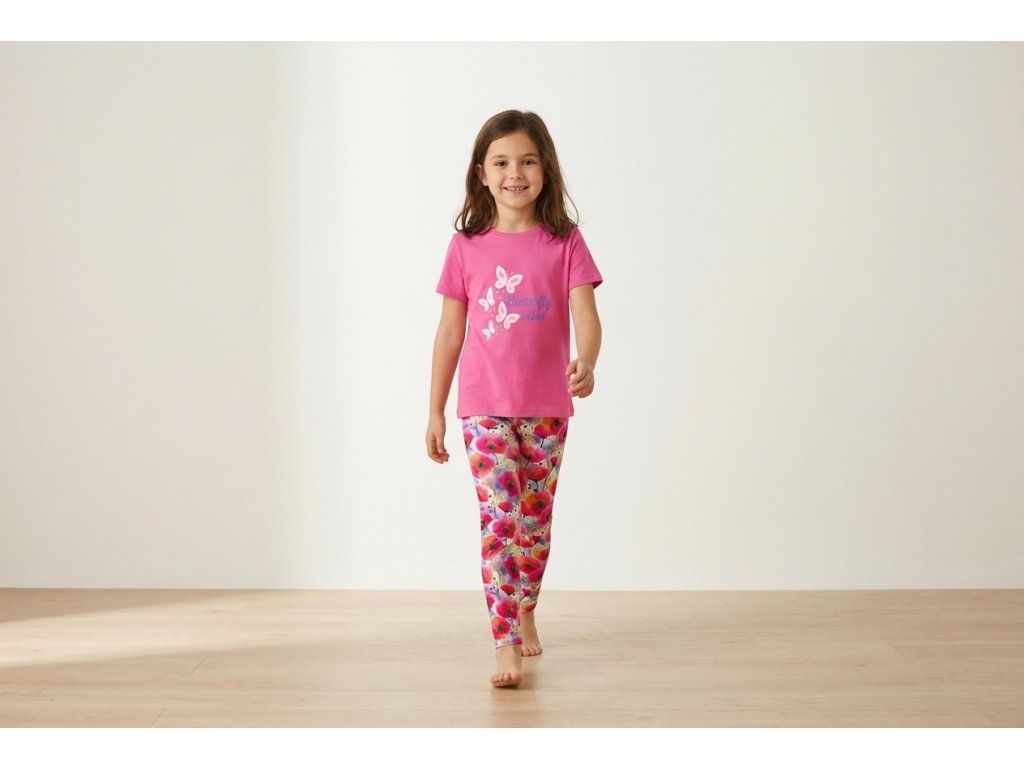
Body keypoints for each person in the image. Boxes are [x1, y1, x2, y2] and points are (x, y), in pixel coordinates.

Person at [426, 109, 604, 688]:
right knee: (501, 518)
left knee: (535, 521)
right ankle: (503, 641)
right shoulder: (465, 247)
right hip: (483, 408)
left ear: (545, 169)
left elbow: (586, 314)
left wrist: (587, 360)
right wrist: (435, 409)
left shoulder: (565, 242)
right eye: (501, 162)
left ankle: (527, 605)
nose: (514, 173)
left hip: (547, 406)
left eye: (527, 161)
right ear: (482, 173)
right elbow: (449, 332)